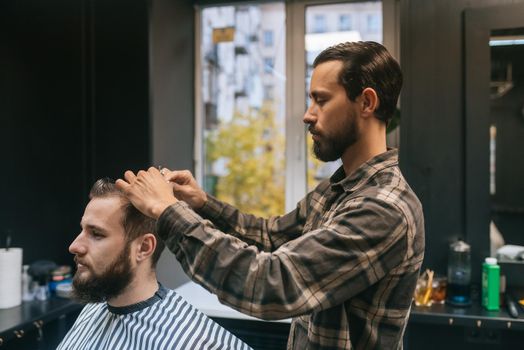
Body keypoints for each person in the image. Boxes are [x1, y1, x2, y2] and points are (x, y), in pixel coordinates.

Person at [116, 41, 425, 349]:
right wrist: (201, 203)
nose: (308, 115)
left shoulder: (384, 208)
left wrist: (167, 211)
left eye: (322, 100)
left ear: (366, 103)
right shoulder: (338, 189)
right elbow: (271, 236)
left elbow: (270, 284)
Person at [58, 178, 251, 350]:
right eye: (82, 229)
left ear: (143, 248)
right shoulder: (93, 310)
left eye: (96, 234)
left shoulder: (194, 341)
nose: (74, 246)